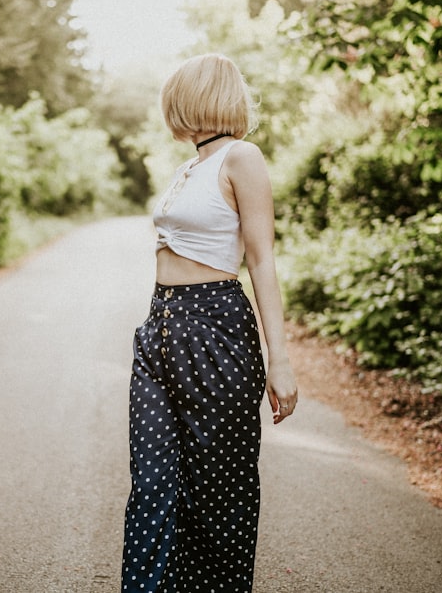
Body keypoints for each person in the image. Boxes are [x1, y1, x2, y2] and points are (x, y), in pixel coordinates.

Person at [121, 53, 298, 592]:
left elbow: (261, 259)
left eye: (175, 97)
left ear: (195, 98)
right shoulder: (189, 166)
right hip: (160, 328)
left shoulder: (241, 158)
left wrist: (279, 359)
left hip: (215, 328)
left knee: (216, 493)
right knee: (151, 484)